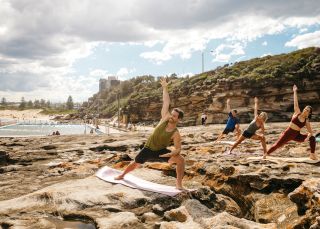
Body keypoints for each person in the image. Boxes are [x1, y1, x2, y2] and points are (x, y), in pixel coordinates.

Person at [115, 77, 186, 190]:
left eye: (174, 116)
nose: (171, 116)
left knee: (181, 160)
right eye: (171, 114)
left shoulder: (176, 133)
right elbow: (166, 102)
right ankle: (122, 175)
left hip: (161, 152)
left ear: (179, 119)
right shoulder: (164, 118)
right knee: (136, 163)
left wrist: (171, 153)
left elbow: (178, 148)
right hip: (148, 149)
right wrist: (165, 87)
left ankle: (179, 185)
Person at [265, 85, 317, 160]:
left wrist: (308, 137)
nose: (306, 110)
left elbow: (310, 132)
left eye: (308, 110)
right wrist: (295, 91)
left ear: (309, 113)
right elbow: (296, 103)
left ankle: (312, 154)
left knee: (312, 138)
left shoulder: (307, 121)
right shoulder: (297, 112)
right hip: (288, 133)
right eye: (305, 109)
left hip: (297, 136)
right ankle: (266, 154)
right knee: (277, 145)